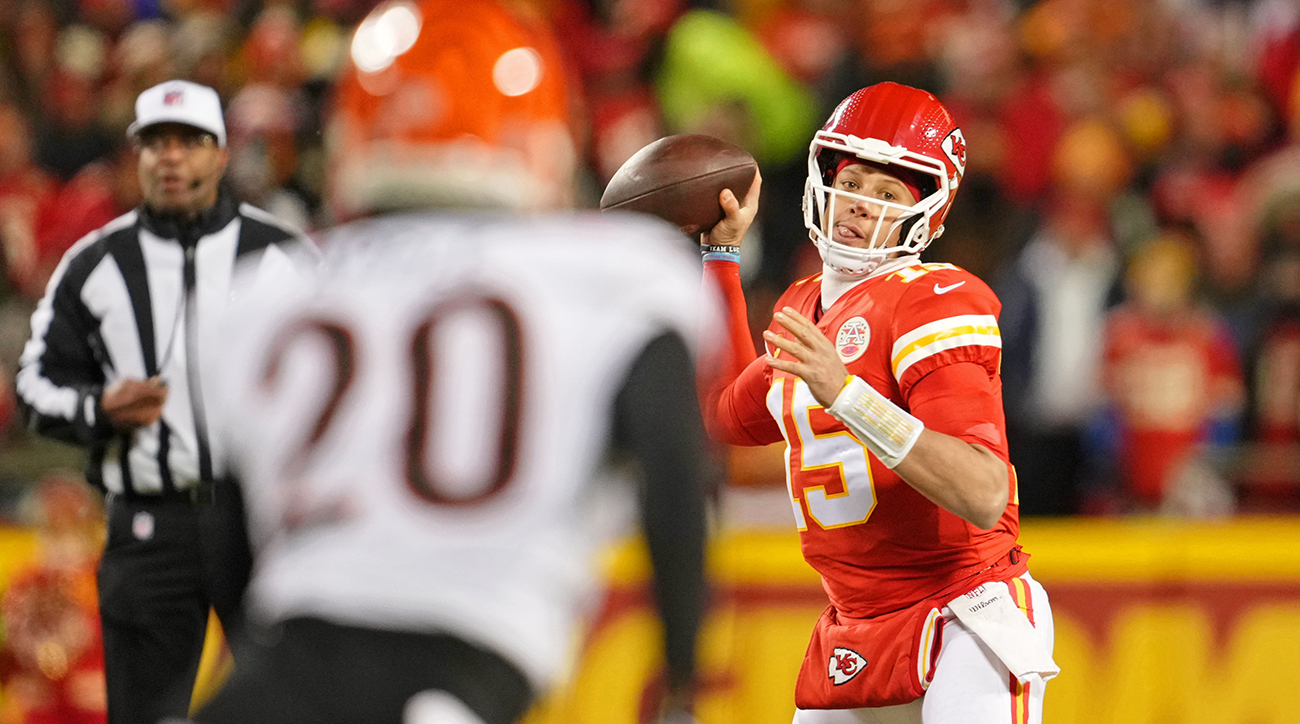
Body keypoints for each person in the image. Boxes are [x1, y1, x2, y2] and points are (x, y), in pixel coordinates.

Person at [191, 1, 710, 723]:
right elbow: (676, 469)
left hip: (278, 675)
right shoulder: (610, 274)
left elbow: (217, 521)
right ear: (545, 137)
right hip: (455, 676)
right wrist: (682, 678)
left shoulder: (272, 292)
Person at [700, 82, 1058, 723]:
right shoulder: (803, 304)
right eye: (855, 181)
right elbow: (725, 411)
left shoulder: (938, 298)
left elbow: (983, 490)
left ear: (927, 213)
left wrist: (848, 396)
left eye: (888, 194)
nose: (860, 204)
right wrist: (721, 257)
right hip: (854, 621)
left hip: (961, 611)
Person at [14, 79, 314, 724]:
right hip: (150, 523)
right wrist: (99, 409)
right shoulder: (94, 264)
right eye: (156, 143)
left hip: (260, 523)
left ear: (222, 154)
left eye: (189, 142)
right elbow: (34, 385)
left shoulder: (284, 256)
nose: (171, 158)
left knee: (295, 707)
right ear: (136, 157)